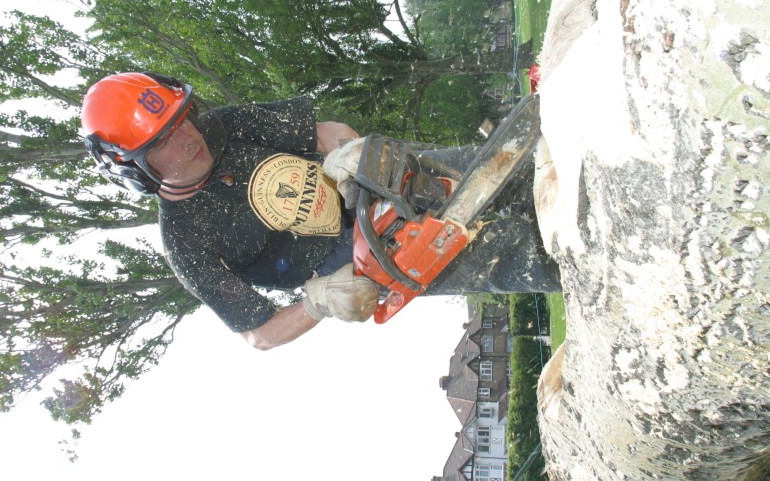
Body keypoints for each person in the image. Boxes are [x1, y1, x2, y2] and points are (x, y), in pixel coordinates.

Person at [80, 72, 560, 350]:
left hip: (372, 188)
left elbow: (324, 132)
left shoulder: (225, 126)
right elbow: (259, 334)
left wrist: (349, 153)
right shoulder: (186, 241)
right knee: (516, 257)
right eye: (163, 141)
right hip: (360, 263)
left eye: (181, 120)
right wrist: (319, 302)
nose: (188, 138)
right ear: (134, 169)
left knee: (519, 165)